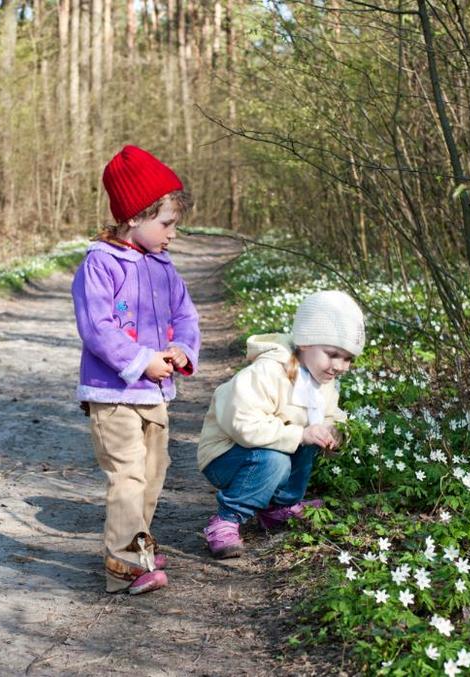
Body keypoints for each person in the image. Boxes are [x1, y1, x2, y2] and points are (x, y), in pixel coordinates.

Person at [71, 145, 200, 594]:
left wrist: (181, 350)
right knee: (126, 475)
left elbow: (185, 316)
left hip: (156, 395)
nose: (172, 234)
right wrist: (141, 359)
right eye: (166, 223)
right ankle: (125, 562)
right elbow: (97, 327)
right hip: (112, 394)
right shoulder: (100, 264)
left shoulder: (166, 268)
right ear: (134, 217)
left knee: (153, 473)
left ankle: (138, 548)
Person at [196, 290, 365, 558]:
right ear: (307, 342)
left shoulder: (322, 379)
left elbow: (330, 415)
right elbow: (243, 426)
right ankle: (226, 520)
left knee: (309, 437)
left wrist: (332, 432)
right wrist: (300, 434)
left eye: (348, 359)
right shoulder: (266, 372)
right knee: (277, 457)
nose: (340, 366)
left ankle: (278, 508)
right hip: (225, 455)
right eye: (333, 354)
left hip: (265, 449)